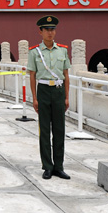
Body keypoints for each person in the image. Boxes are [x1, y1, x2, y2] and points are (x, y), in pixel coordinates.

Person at [28, 15, 71, 180]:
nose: (50, 33)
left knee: (59, 130)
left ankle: (59, 167)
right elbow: (32, 76)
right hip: (44, 90)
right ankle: (47, 166)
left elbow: (66, 75)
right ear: (40, 32)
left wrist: (67, 97)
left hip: (59, 91)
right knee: (44, 130)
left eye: (52, 29)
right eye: (47, 30)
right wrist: (34, 98)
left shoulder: (63, 50)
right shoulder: (34, 52)